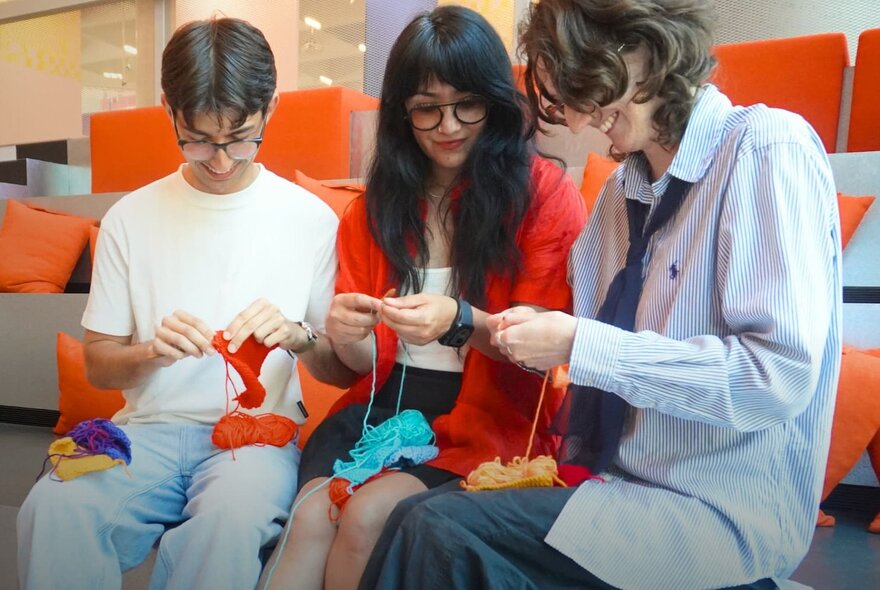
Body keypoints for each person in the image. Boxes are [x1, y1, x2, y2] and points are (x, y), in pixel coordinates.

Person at [358, 1, 842, 589]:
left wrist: (583, 343)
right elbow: (560, 343)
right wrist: (466, 321)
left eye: (589, 88)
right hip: (618, 491)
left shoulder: (764, 149)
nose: (584, 120)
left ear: (646, 45)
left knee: (440, 530)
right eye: (569, 98)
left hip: (718, 513)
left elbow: (778, 377)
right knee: (416, 517)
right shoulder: (620, 197)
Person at [17, 17, 355, 590]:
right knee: (51, 510)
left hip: (256, 436)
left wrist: (298, 337)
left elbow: (342, 369)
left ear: (270, 107)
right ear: (168, 108)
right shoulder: (131, 218)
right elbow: (99, 362)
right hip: (144, 434)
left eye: (241, 137)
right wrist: (151, 352)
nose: (221, 160)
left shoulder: (312, 220)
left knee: (227, 524)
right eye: (199, 139)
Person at [262, 6, 586, 590]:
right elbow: (361, 370)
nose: (449, 125)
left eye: (468, 103)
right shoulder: (371, 210)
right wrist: (348, 336)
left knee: (364, 515)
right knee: (311, 517)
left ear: (496, 100)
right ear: (400, 114)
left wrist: (459, 320)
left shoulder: (543, 195)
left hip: (489, 415)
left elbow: (537, 345)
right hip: (382, 409)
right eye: (425, 109)